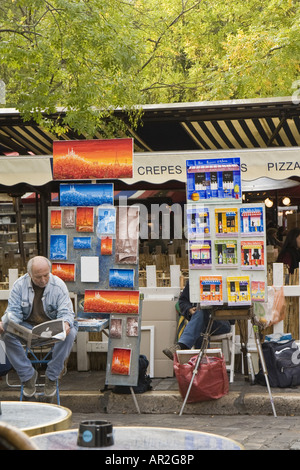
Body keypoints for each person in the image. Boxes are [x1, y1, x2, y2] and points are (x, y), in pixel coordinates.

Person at [0, 256, 78, 398]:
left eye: (46, 275)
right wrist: (6, 322)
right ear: (29, 274)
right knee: (5, 333)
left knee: (71, 332)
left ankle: (52, 376)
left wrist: (65, 324)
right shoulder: (19, 285)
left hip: (51, 329)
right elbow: (14, 312)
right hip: (27, 327)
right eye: (38, 277)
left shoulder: (58, 285)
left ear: (50, 271)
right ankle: (28, 376)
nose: (43, 280)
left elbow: (66, 312)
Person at [162, 281, 231, 360]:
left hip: (221, 321)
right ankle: (204, 365)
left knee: (200, 316)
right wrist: (189, 309)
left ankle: (182, 346)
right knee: (200, 324)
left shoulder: (224, 277)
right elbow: (183, 301)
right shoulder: (195, 278)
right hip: (201, 322)